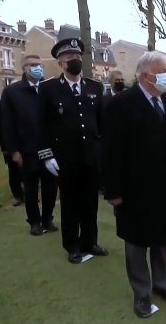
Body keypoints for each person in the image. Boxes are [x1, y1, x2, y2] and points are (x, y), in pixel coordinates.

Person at [103, 51, 166, 318]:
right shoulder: (121, 104)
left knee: (164, 239)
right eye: (161, 71)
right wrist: (114, 191)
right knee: (136, 243)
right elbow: (112, 151)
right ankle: (141, 293)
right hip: (134, 189)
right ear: (144, 75)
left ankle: (163, 284)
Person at [37, 38, 108, 263]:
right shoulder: (48, 89)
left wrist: (102, 152)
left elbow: (101, 124)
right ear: (60, 63)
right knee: (70, 203)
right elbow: (41, 125)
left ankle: (90, 241)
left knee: (91, 202)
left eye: (77, 57)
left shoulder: (95, 87)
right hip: (65, 158)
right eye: (69, 59)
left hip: (91, 156)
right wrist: (46, 155)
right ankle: (72, 245)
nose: (75, 61)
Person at [1, 54, 58, 236]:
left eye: (39, 64)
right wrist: (14, 151)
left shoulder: (49, 89)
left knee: (50, 187)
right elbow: (7, 124)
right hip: (27, 149)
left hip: (49, 149)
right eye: (33, 65)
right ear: (24, 68)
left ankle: (47, 218)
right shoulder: (12, 92)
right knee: (31, 189)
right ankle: (34, 221)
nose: (38, 68)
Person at [0, 98, 24, 206]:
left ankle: (28, 193)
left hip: (23, 141)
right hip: (9, 144)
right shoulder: (0, 105)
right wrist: (5, 147)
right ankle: (18, 196)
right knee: (13, 170)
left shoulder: (20, 102)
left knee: (26, 169)